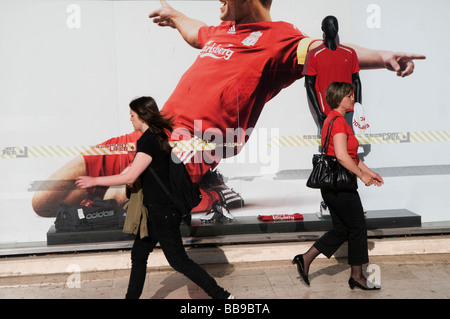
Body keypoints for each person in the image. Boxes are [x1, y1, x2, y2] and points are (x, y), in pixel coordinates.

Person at [149, 0, 425, 216]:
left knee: (133, 194)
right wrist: (175, 17)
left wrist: (383, 57)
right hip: (157, 129)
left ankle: (203, 193)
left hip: (193, 141)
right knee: (106, 173)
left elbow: (328, 52)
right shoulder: (224, 30)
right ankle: (202, 185)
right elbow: (196, 31)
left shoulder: (279, 39)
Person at [76, 96, 232, 299]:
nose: (130, 119)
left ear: (142, 116)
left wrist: (94, 181)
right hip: (155, 211)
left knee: (178, 260)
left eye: (132, 115)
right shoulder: (156, 136)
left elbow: (131, 176)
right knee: (139, 254)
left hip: (163, 212)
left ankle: (222, 296)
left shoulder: (149, 141)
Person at [292, 82, 384, 290]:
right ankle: (357, 276)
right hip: (341, 186)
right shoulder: (339, 122)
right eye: (350, 96)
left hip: (334, 185)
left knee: (342, 229)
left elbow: (348, 155)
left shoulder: (334, 120)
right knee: (358, 228)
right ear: (340, 98)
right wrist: (361, 175)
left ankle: (306, 258)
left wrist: (370, 172)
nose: (353, 99)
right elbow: (342, 157)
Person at [303, 15, 361, 128]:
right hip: (327, 112)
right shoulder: (314, 55)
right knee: (328, 145)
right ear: (323, 28)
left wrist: (359, 108)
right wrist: (319, 112)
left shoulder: (349, 53)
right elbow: (309, 84)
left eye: (336, 25)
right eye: (330, 25)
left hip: (349, 112)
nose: (333, 28)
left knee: (350, 144)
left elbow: (357, 81)